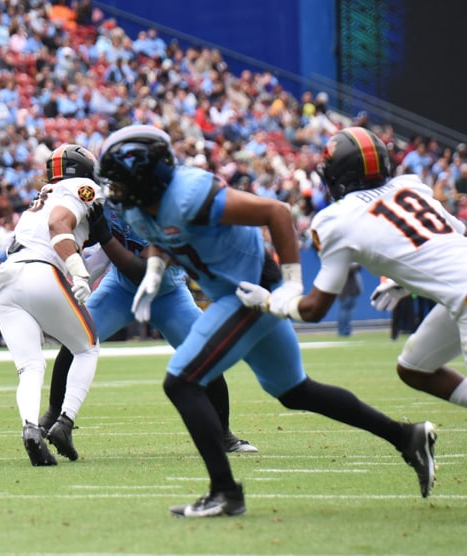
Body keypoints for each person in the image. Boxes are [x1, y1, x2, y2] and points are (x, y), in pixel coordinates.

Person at [98, 125, 436, 518]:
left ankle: (225, 492)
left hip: (250, 290)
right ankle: (406, 436)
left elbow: (276, 212)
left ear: (145, 176)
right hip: (233, 292)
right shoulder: (138, 205)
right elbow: (160, 233)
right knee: (296, 391)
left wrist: (292, 282)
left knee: (182, 382)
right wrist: (155, 269)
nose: (114, 190)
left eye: (119, 180)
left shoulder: (191, 194)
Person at [239, 126, 467, 486]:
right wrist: (404, 280)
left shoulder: (335, 220)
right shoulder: (408, 187)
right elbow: (460, 235)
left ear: (337, 177)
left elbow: (316, 308)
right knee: (415, 368)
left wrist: (273, 301)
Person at [40, 201, 259, 454]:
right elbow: (84, 238)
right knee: (77, 339)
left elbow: (140, 272)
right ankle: (53, 415)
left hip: (166, 293)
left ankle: (223, 433)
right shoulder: (108, 199)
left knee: (205, 353)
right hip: (120, 289)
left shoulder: (166, 210)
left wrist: (105, 237)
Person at [0, 144, 104, 466]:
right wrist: (79, 272)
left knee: (30, 366)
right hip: (41, 272)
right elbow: (59, 224)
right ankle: (64, 422)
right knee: (87, 348)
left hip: (5, 281)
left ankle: (30, 428)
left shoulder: (42, 196)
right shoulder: (83, 187)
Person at [335, 263, 361, 336]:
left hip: (347, 292)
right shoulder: (342, 264)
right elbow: (353, 268)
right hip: (346, 292)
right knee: (345, 312)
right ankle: (344, 330)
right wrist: (359, 262)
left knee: (346, 311)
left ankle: (344, 330)